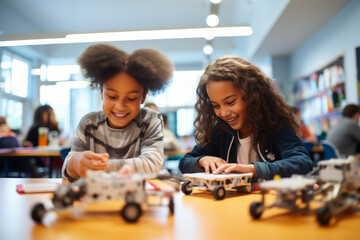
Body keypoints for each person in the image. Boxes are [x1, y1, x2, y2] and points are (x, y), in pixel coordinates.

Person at [178, 55, 313, 181]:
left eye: (230, 102)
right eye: (216, 106)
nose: (223, 113)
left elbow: (302, 162)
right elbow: (185, 161)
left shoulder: (276, 126)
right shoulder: (220, 131)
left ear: (252, 96)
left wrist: (253, 170)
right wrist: (202, 160)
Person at [62, 43, 174, 182]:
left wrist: (99, 167)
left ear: (143, 97)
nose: (120, 107)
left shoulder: (151, 120)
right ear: (102, 92)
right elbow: (68, 171)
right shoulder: (88, 123)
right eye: (112, 97)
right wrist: (75, 163)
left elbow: (152, 164)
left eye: (132, 98)